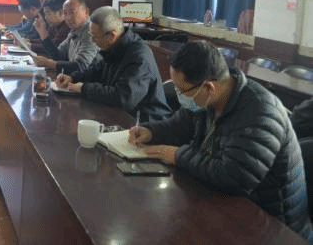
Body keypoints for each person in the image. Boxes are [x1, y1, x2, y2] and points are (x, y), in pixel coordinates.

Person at [129, 41, 313, 243]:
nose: (180, 96)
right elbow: (180, 124)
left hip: (274, 228)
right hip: (225, 203)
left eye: (183, 91)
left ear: (209, 87)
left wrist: (177, 155)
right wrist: (152, 131)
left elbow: (233, 177)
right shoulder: (210, 98)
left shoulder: (260, 112)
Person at [56, 6, 172, 121]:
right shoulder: (110, 47)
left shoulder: (139, 56)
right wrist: (72, 77)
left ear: (111, 36)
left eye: (94, 37)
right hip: (118, 114)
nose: (92, 41)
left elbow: (123, 97)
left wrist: (84, 88)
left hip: (145, 122)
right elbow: (93, 72)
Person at [33, 0, 98, 73]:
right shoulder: (75, 30)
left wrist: (48, 63)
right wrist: (43, 34)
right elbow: (58, 55)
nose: (68, 18)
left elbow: (81, 66)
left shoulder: (91, 31)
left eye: (72, 12)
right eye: (65, 13)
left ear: (86, 12)